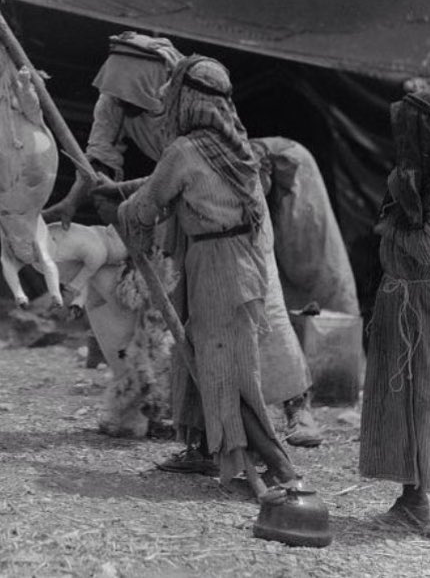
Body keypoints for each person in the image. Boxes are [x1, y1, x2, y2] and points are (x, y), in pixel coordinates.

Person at [44, 32, 323, 455]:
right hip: (181, 216)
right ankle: (197, 426)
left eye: (132, 92)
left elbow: (186, 170)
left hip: (232, 219)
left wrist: (123, 195)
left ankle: (296, 408)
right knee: (190, 320)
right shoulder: (115, 103)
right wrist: (80, 196)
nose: (123, 100)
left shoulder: (200, 113)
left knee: (264, 311)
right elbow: (98, 160)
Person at [92, 56, 299, 485]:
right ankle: (206, 448)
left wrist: (121, 205)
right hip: (240, 260)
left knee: (224, 365)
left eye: (174, 91)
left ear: (187, 100)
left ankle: (279, 468)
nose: (166, 98)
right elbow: (178, 183)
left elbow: (148, 205)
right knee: (211, 357)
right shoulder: (235, 146)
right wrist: (128, 191)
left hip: (215, 267)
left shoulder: (184, 151)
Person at [360, 89, 430, 539]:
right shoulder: (413, 181)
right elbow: (386, 231)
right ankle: (411, 498)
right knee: (399, 400)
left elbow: (426, 247)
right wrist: (398, 214)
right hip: (398, 299)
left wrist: (394, 223)